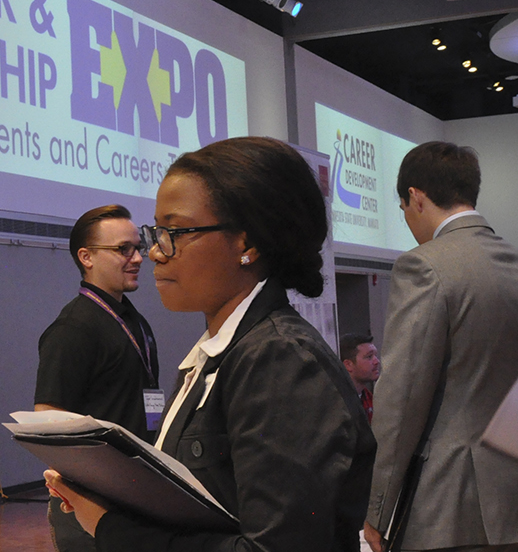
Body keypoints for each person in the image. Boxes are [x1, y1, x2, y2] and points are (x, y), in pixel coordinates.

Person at [45, 136, 376, 551]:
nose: (154, 254)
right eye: (157, 232)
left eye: (175, 232)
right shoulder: (224, 353)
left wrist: (113, 528)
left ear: (248, 243)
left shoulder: (280, 359)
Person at [363, 141, 518, 552]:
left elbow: (402, 399)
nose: (408, 220)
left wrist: (378, 511)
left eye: (403, 209)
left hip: (449, 505)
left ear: (416, 197)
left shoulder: (424, 265)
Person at [34, 204, 161, 552]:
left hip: (138, 493)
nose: (138, 257)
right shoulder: (73, 328)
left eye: (138, 246)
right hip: (93, 505)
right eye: (123, 249)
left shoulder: (134, 320)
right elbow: (49, 418)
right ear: (86, 257)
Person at [340, 333, 381, 423]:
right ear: (348, 365)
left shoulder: (369, 399)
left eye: (375, 356)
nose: (377, 361)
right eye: (369, 357)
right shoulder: (338, 404)